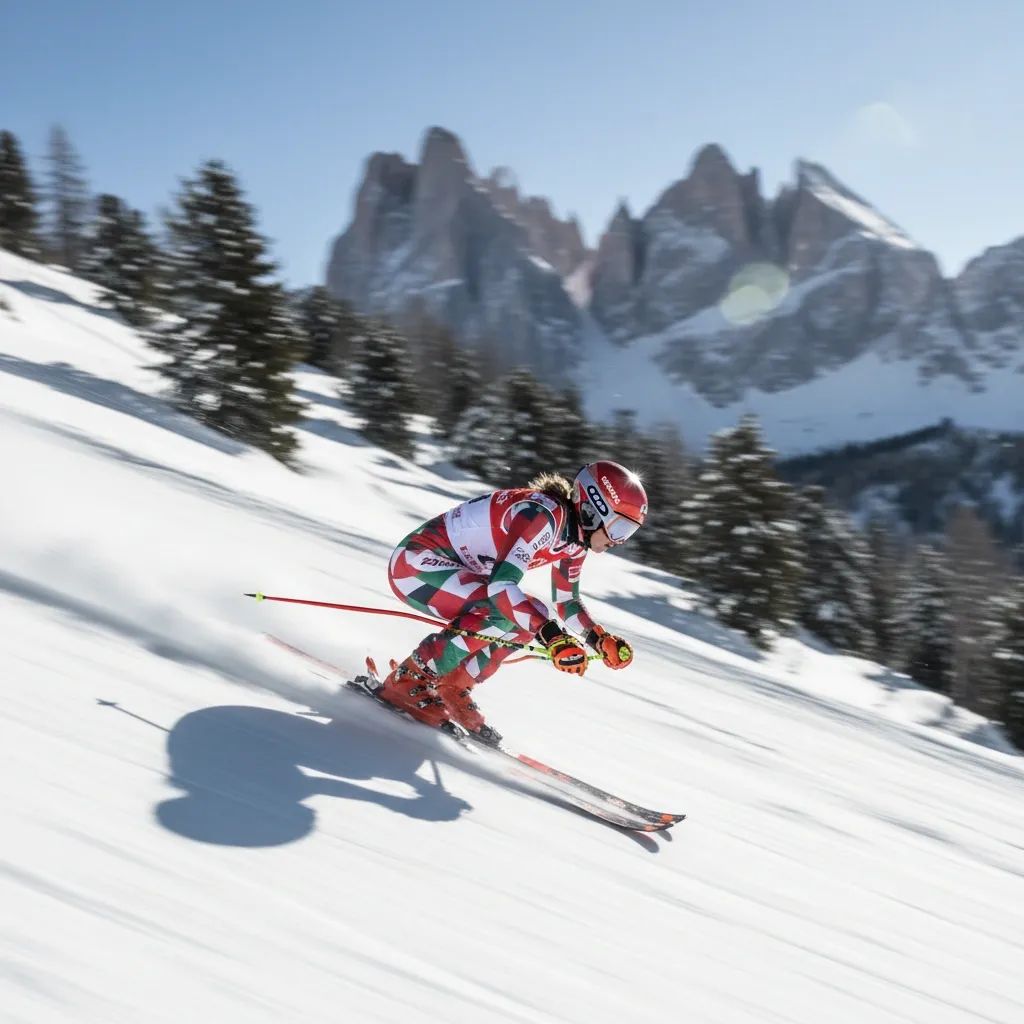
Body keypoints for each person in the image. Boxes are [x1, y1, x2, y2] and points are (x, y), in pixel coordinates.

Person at [377, 460, 648, 744]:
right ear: (594, 509)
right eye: (619, 529)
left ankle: (453, 684)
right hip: (415, 568)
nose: (619, 542)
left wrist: (598, 638)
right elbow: (501, 586)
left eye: (628, 533)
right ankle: (409, 679)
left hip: (448, 574)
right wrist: (553, 637)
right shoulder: (540, 515)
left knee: (531, 614)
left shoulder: (575, 537)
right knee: (504, 610)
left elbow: (567, 600)